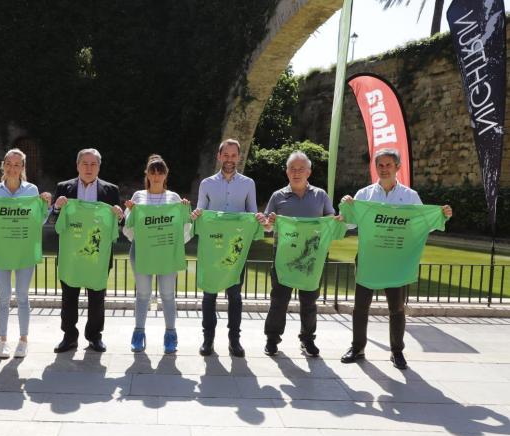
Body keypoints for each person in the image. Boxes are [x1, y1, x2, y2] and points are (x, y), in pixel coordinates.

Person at [340, 148, 453, 369]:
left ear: (397, 167)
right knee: (360, 307)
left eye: (388, 165)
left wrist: (441, 215)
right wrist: (347, 206)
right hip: (369, 259)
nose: (384, 169)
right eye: (380, 165)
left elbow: (422, 224)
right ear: (375, 167)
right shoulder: (364, 195)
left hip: (396, 261)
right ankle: (357, 348)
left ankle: (397, 351)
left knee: (397, 308)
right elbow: (350, 223)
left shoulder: (410, 196)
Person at [192, 138, 265, 357]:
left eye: (233, 155)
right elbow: (200, 213)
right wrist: (196, 214)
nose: (229, 159)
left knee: (235, 296)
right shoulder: (206, 184)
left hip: (235, 248)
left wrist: (258, 218)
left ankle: (235, 341)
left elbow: (252, 212)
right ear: (219, 156)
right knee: (209, 295)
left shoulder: (248, 183)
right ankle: (208, 340)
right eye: (226, 155)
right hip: (212, 247)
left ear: (239, 157)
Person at [262, 151, 338, 358]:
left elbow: (330, 220)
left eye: (301, 169)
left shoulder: (320, 195)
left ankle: (307, 340)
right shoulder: (278, 196)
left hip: (311, 258)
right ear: (287, 172)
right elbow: (267, 226)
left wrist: (336, 219)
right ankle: (272, 340)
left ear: (308, 172)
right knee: (279, 301)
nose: (296, 173)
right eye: (292, 169)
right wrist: (269, 222)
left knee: (309, 302)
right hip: (283, 257)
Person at [0, 149, 52, 359]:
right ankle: (3, 341)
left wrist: (45, 205)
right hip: (1, 250)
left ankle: (23, 340)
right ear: (3, 165)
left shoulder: (32, 190)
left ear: (23, 167)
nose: (12, 168)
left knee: (22, 296)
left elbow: (39, 221)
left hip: (24, 251)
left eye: (17, 164)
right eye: (8, 164)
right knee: (3, 297)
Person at [50, 148, 123, 353]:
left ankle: (94, 337)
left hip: (98, 256)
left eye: (93, 164)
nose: (89, 168)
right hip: (71, 255)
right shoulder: (63, 188)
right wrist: (57, 208)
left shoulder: (111, 191)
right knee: (69, 298)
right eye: (85, 163)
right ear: (77, 166)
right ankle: (69, 337)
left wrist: (120, 215)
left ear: (99, 167)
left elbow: (117, 224)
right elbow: (55, 222)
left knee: (97, 299)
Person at [123, 155, 192, 354]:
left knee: (168, 295)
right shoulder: (138, 197)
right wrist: (130, 212)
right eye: (152, 172)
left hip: (167, 253)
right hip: (142, 252)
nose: (156, 176)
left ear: (165, 174)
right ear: (147, 174)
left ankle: (170, 335)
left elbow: (184, 227)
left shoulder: (174, 198)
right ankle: (138, 333)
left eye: (160, 172)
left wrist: (185, 210)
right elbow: (129, 228)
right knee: (143, 294)